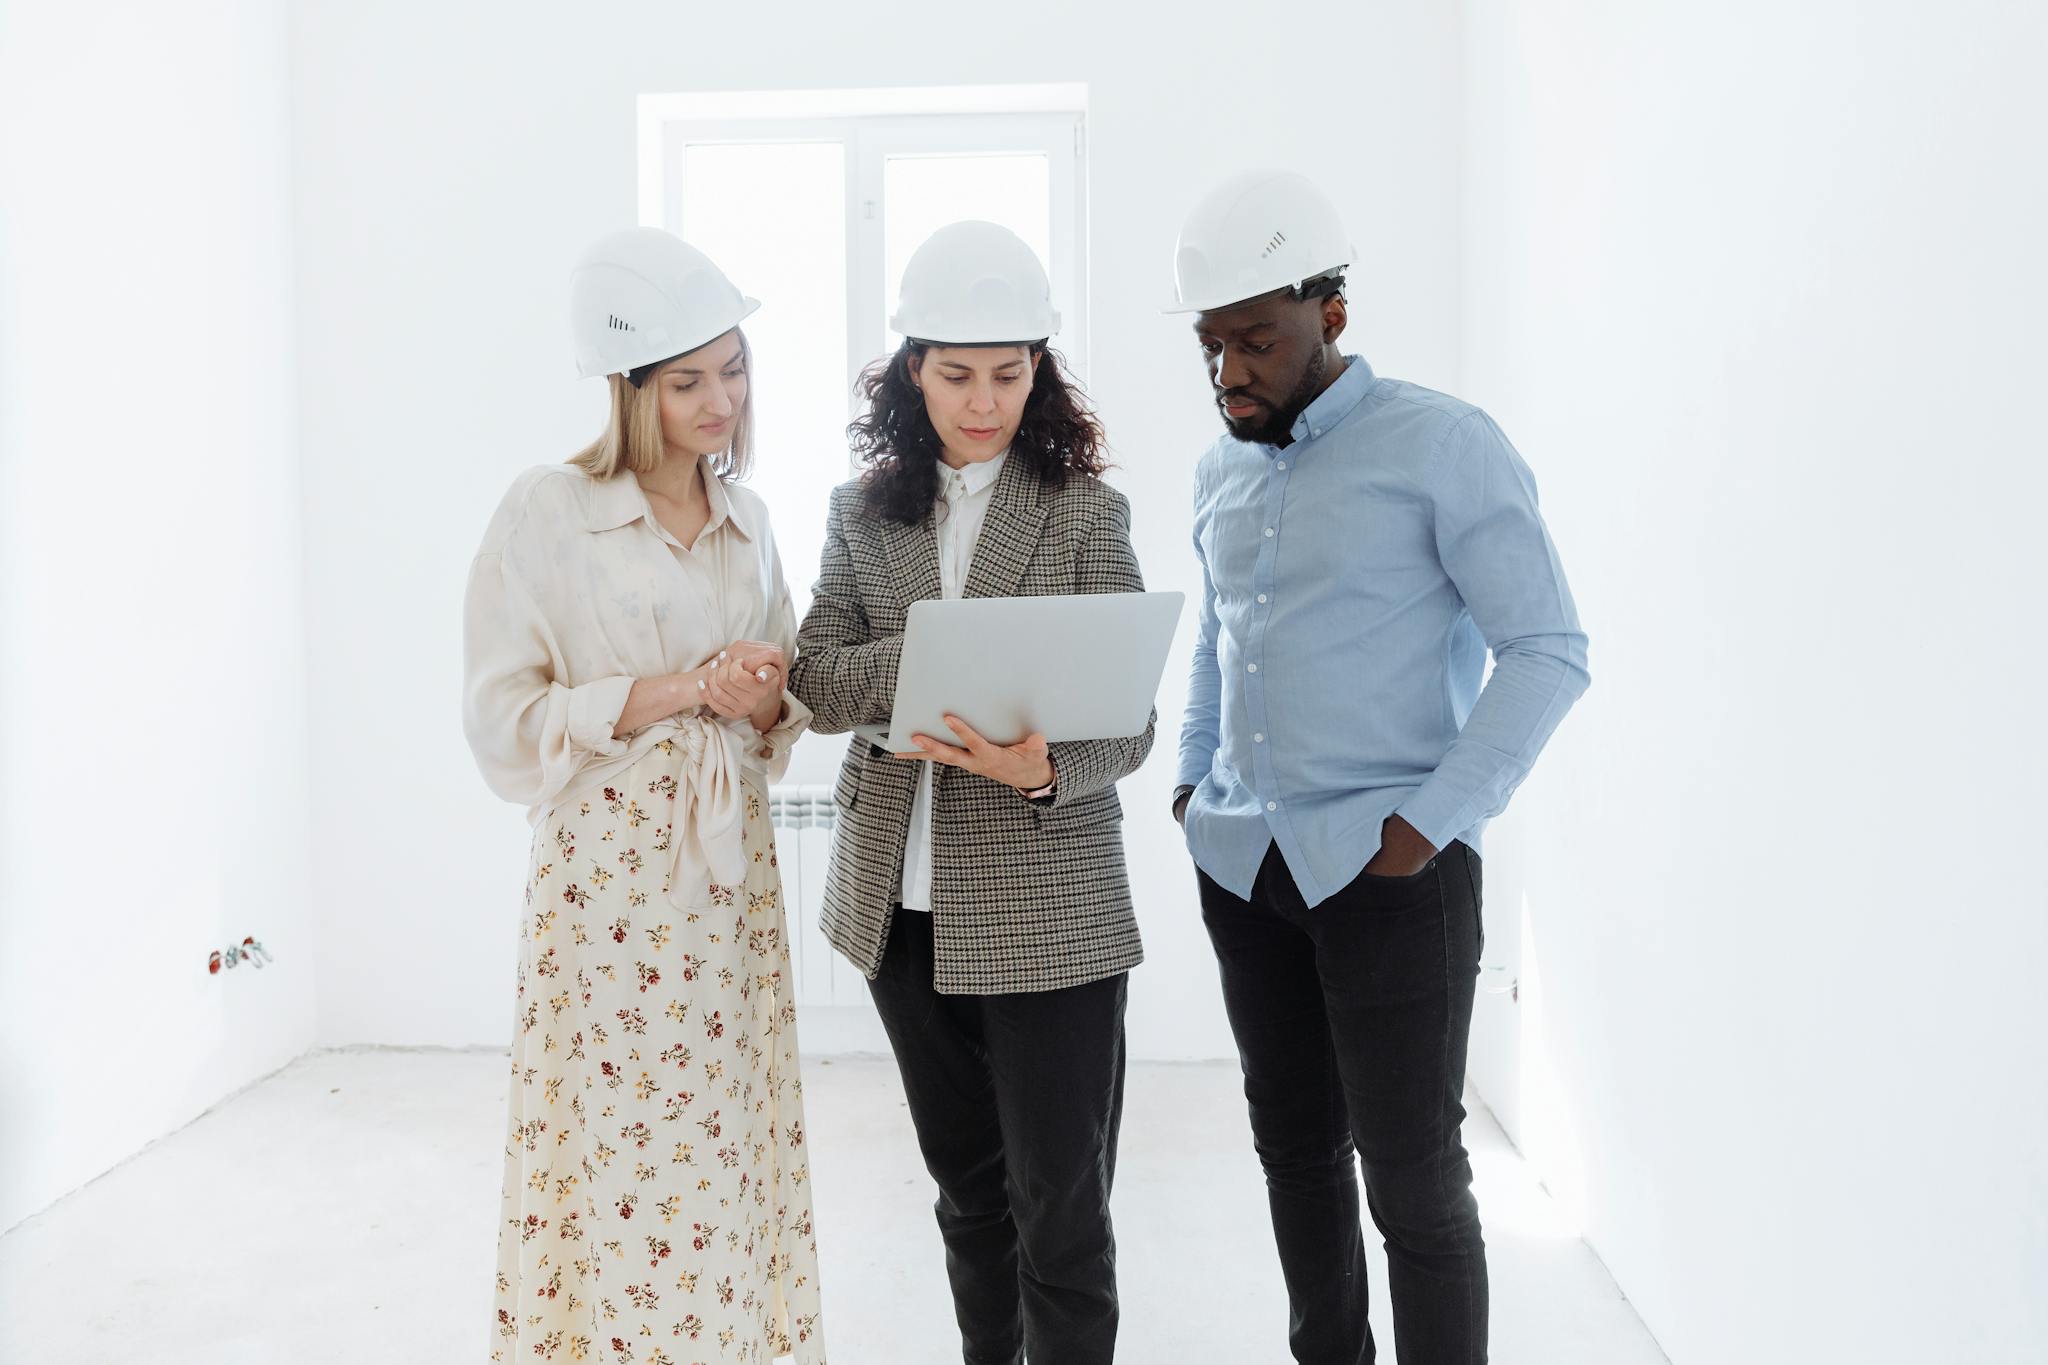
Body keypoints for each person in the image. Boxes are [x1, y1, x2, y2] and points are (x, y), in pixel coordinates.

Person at [1167, 169, 1591, 1365]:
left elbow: (1547, 649)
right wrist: (1194, 786)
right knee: (1294, 1152)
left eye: (1255, 340)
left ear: (1331, 313)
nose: (1228, 374)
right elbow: (1218, 636)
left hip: (1389, 874)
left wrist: (1429, 826)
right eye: (1211, 347)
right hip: (1245, 867)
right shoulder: (1219, 469)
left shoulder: (1443, 445)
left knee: (1413, 1178)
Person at [788, 220, 1150, 1365]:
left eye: (1007, 373)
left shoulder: (1086, 512)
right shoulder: (860, 512)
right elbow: (813, 675)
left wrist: (1045, 766)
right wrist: (937, 661)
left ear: (1039, 370)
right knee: (967, 1196)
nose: (982, 400)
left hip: (1052, 903)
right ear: (911, 372)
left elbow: (1129, 719)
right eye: (955, 376)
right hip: (900, 907)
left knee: (1064, 1214)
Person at [464, 227, 826, 1363]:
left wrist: (765, 694)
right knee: (618, 1148)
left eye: (732, 369)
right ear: (628, 389)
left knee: (722, 1137)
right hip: (610, 879)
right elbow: (502, 720)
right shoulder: (548, 512)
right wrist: (678, 689)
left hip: (727, 881)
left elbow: (778, 709)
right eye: (686, 381)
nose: (720, 399)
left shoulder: (751, 522)